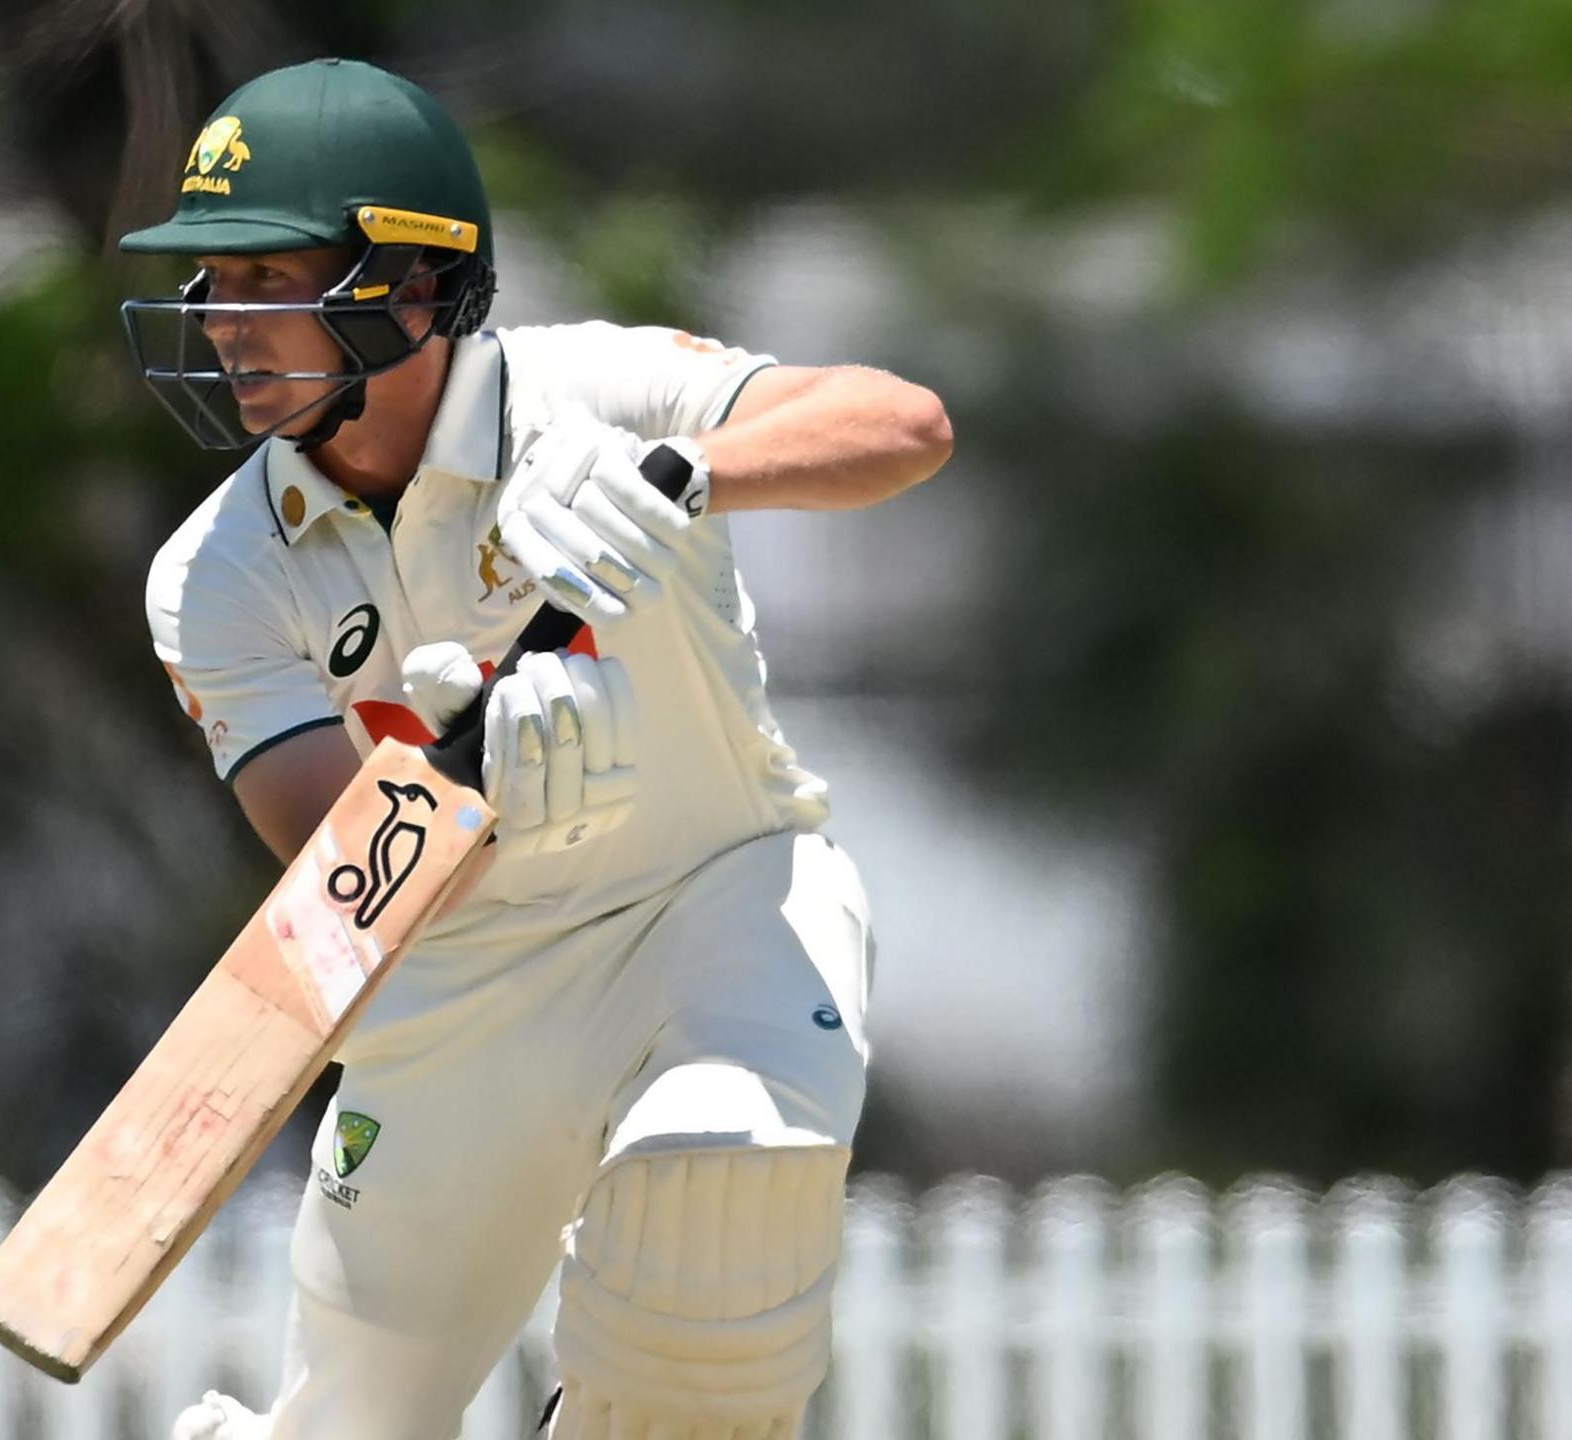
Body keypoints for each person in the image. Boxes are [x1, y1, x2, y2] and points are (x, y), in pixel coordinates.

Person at [121, 58, 952, 1440]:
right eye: (214, 286)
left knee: (714, 1275)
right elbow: (336, 870)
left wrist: (681, 474)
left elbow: (900, 426)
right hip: (458, 981)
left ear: (409, 284)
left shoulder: (593, 391)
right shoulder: (211, 575)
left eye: (270, 277)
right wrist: (485, 801)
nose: (226, 325)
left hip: (713, 902)